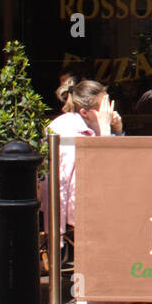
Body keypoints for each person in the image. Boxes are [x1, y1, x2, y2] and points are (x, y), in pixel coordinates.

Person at [47, 78, 119, 232]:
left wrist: (117, 130)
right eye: (104, 108)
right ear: (85, 113)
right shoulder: (69, 131)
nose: (109, 113)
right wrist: (106, 130)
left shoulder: (89, 125)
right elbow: (102, 169)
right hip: (76, 211)